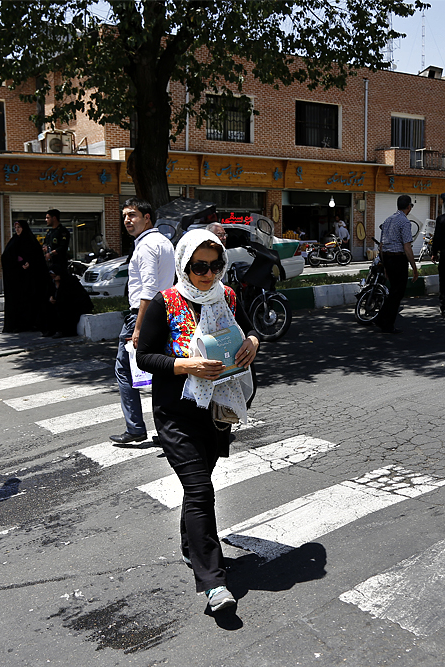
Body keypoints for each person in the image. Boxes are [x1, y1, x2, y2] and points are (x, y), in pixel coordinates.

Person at [136, 229, 259, 613]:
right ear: (184, 265)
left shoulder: (227, 296)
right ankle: (214, 582)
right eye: (199, 266)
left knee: (198, 487)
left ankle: (191, 544)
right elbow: (144, 357)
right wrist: (185, 365)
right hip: (176, 414)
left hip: (216, 411)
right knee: (202, 491)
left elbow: (245, 329)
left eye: (215, 265)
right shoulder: (165, 302)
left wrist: (253, 342)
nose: (207, 274)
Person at [111, 197, 176, 446]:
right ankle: (167, 428)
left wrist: (137, 327)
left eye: (133, 215)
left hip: (143, 314)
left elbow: (148, 290)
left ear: (147, 217)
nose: (127, 220)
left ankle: (135, 428)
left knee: (125, 370)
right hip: (165, 312)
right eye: (125, 215)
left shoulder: (147, 246)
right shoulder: (163, 241)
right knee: (162, 371)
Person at [375, 195, 419, 334]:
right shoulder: (405, 222)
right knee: (397, 293)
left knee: (393, 291)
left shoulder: (388, 220)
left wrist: (385, 265)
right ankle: (386, 322)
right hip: (398, 259)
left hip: (387, 258)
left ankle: (382, 318)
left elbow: (381, 245)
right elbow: (407, 247)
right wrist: (414, 267)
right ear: (408, 207)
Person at [0, 220, 51, 333]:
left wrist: (29, 262)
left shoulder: (30, 240)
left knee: (31, 301)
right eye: (16, 227)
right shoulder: (14, 240)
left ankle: (31, 324)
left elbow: (37, 257)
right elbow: (6, 257)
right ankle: (17, 325)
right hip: (16, 279)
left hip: (30, 279)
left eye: (19, 227)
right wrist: (18, 263)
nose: (17, 229)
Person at [47, 271, 94, 338]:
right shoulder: (57, 282)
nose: (54, 278)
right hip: (69, 303)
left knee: (64, 310)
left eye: (55, 276)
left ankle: (65, 331)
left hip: (79, 304)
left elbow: (68, 297)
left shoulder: (69, 281)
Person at [43, 209, 71, 276]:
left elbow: (63, 247)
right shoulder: (50, 232)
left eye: (48, 218)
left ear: (54, 218)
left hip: (59, 264)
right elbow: (45, 243)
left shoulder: (63, 231)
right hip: (49, 264)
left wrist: (51, 254)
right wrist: (45, 248)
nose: (46, 220)